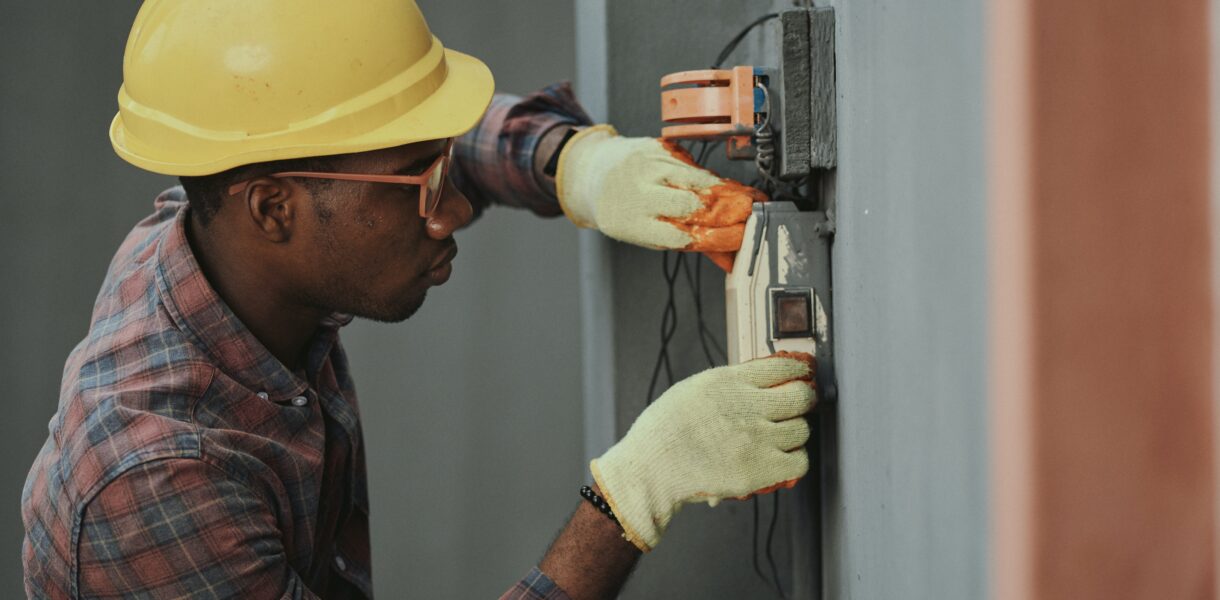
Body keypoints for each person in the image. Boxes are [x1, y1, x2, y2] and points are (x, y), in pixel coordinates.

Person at [20, 2, 816, 598]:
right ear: (272, 209)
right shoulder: (155, 482)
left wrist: (572, 163)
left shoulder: (221, 221)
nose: (455, 209)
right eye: (420, 185)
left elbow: (389, 149)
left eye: (441, 170)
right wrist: (632, 495)